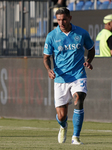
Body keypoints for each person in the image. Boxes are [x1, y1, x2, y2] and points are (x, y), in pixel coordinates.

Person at [43, 8, 95, 145]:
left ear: (70, 18)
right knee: (62, 116)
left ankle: (76, 137)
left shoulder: (81, 33)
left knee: (79, 99)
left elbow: (91, 49)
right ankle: (63, 125)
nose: (61, 22)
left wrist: (88, 62)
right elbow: (46, 57)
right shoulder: (52, 36)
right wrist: (49, 70)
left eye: (64, 19)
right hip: (60, 79)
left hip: (78, 75)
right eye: (59, 20)